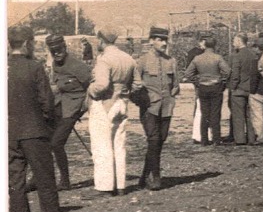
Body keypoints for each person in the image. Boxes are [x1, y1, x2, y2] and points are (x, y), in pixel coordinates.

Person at [9, 27, 66, 212]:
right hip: (34, 132)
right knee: (45, 180)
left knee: (16, 183)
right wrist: (49, 126)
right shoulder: (34, 67)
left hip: (9, 134)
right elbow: (47, 102)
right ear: (26, 44)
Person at [84, 29, 136, 195]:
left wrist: (90, 90)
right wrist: (124, 94)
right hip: (122, 102)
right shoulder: (128, 58)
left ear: (101, 40)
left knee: (102, 146)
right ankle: (121, 185)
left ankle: (105, 186)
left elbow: (102, 85)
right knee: (119, 145)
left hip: (104, 104)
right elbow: (138, 84)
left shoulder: (104, 59)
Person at [44, 33, 94, 190]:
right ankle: (39, 179)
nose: (57, 54)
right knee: (45, 142)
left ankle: (65, 181)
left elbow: (91, 85)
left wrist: (85, 106)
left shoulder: (77, 65)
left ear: (65, 47)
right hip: (58, 107)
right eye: (53, 51)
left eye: (59, 50)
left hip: (72, 110)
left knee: (56, 143)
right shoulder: (55, 65)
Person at [134, 27, 178, 191]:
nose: (164, 43)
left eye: (165, 39)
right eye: (159, 39)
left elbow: (176, 85)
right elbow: (134, 86)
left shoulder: (171, 61)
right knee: (153, 140)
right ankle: (156, 177)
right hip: (149, 108)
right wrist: (142, 101)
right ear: (151, 41)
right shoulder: (142, 61)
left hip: (166, 107)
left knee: (160, 141)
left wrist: (173, 93)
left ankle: (144, 176)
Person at [182, 35, 230, 145]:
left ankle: (204, 140)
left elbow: (188, 73)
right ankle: (216, 139)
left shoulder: (197, 58)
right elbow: (227, 71)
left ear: (205, 45)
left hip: (202, 87)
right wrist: (222, 80)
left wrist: (197, 80)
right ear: (214, 46)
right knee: (215, 113)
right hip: (215, 87)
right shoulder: (218, 58)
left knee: (204, 114)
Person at [228, 33, 261, 145]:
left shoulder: (237, 56)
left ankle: (240, 139)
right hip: (251, 89)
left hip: (239, 90)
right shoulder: (253, 55)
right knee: (250, 115)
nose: (233, 43)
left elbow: (235, 75)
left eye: (234, 40)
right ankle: (251, 138)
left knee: (238, 116)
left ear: (239, 41)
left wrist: (232, 88)